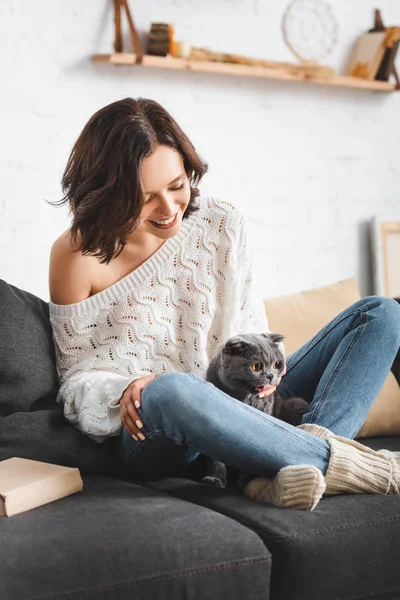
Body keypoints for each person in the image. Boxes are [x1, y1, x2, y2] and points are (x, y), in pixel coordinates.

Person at [48, 97, 400, 511]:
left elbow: (251, 330)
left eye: (177, 186)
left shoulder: (222, 222)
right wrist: (125, 387)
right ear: (108, 193)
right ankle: (355, 467)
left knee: (382, 314)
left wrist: (268, 381)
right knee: (173, 387)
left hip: (245, 399)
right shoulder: (76, 256)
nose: (168, 210)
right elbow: (74, 383)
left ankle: (279, 469)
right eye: (144, 198)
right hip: (158, 428)